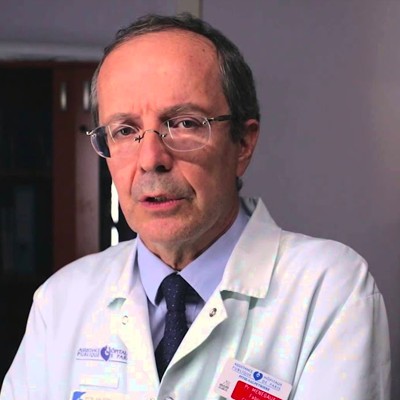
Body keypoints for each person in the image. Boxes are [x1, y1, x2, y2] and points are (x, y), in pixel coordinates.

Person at [0, 13, 390, 400]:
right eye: (125, 131)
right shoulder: (61, 300)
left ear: (243, 143)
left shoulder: (329, 290)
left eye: (184, 123)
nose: (151, 159)